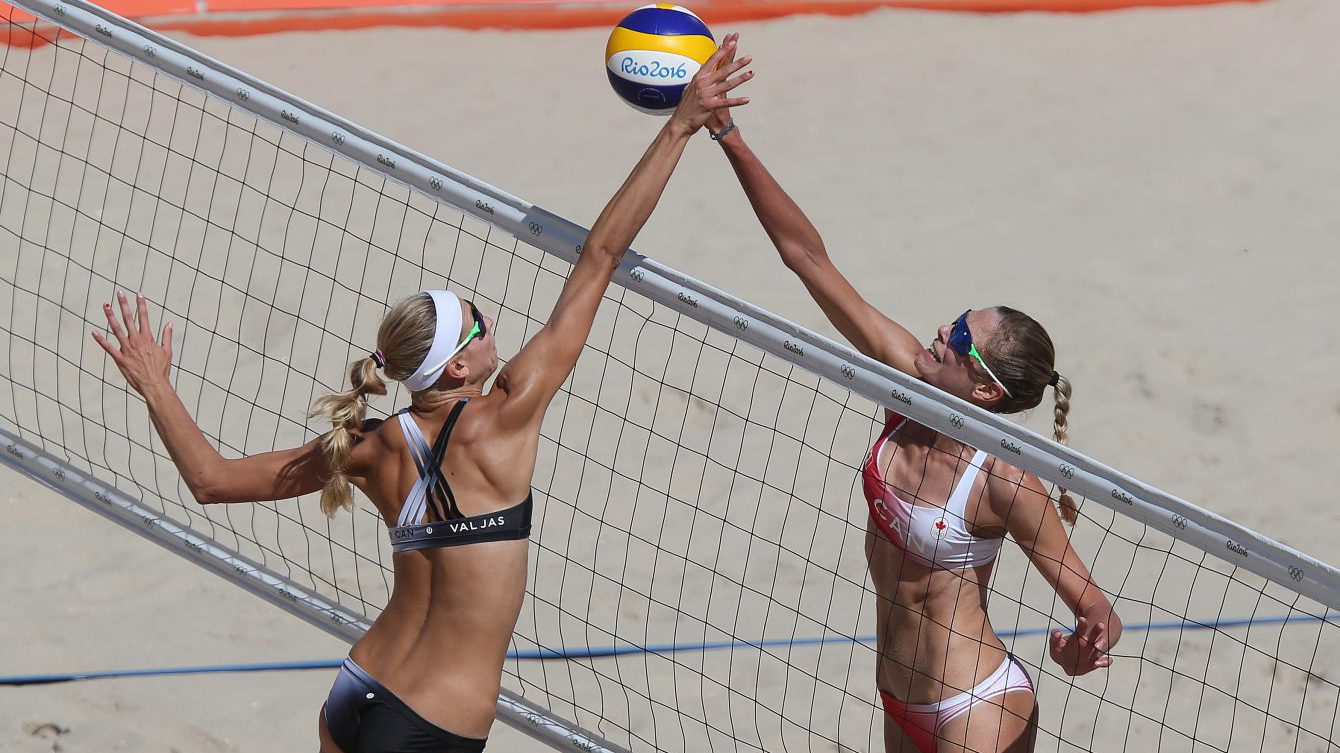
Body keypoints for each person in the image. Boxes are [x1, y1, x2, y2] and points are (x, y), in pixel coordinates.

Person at [90, 38, 752, 753]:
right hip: (427, 728)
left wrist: (155, 383)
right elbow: (601, 254)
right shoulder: (506, 416)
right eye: (479, 323)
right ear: (461, 368)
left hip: (356, 692)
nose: (492, 323)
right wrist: (680, 126)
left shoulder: (370, 445)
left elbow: (210, 480)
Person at [700, 39, 1120, 753]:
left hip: (977, 704)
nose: (940, 329)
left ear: (983, 387)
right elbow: (807, 258)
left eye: (958, 334)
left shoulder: (1006, 479)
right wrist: (725, 134)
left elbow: (1094, 603)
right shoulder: (908, 390)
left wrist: (1088, 642)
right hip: (898, 699)